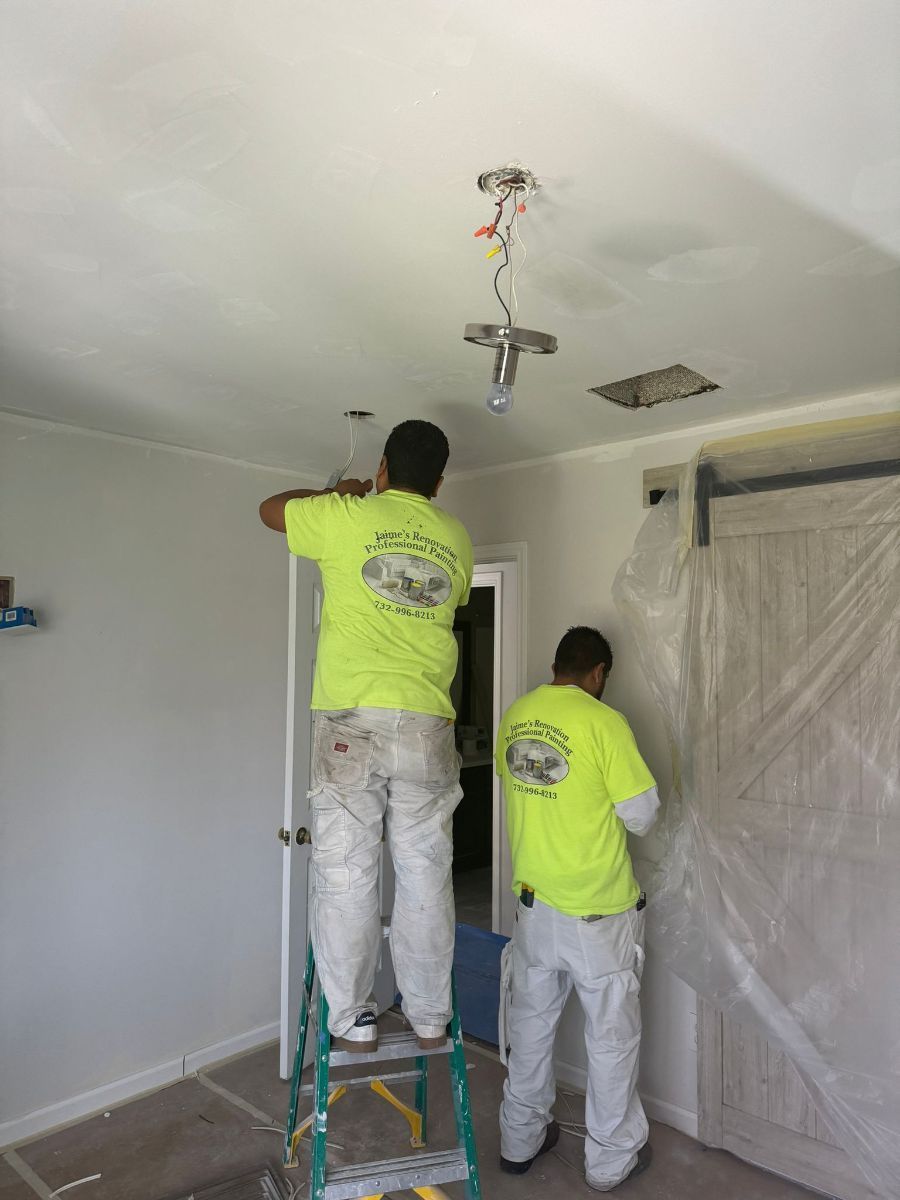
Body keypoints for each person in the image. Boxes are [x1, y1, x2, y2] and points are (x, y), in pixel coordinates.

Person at [259, 420, 473, 1052]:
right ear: (439, 482)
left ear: (382, 468)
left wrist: (341, 493)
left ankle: (354, 1018)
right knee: (426, 872)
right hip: (426, 726)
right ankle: (430, 1017)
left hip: (351, 722)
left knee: (348, 872)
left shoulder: (346, 516)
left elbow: (269, 510)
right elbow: (450, 596)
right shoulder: (455, 537)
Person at [495, 626, 659, 1191]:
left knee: (530, 1029)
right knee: (611, 1042)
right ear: (598, 673)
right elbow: (643, 815)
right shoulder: (604, 723)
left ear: (555, 666)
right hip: (598, 917)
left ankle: (519, 1141)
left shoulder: (516, 715)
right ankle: (609, 1161)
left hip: (534, 910)